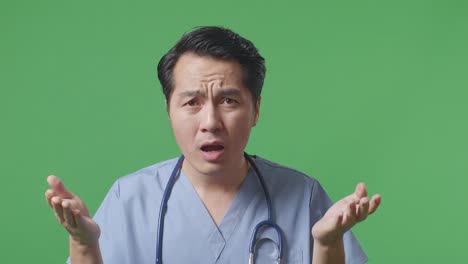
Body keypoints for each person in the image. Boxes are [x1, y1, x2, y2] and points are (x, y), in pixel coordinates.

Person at [45, 26, 381, 264]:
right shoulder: (129, 199)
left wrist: (328, 242)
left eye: (229, 101)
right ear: (169, 111)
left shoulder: (303, 196)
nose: (210, 121)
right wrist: (83, 244)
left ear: (256, 110)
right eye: (192, 102)